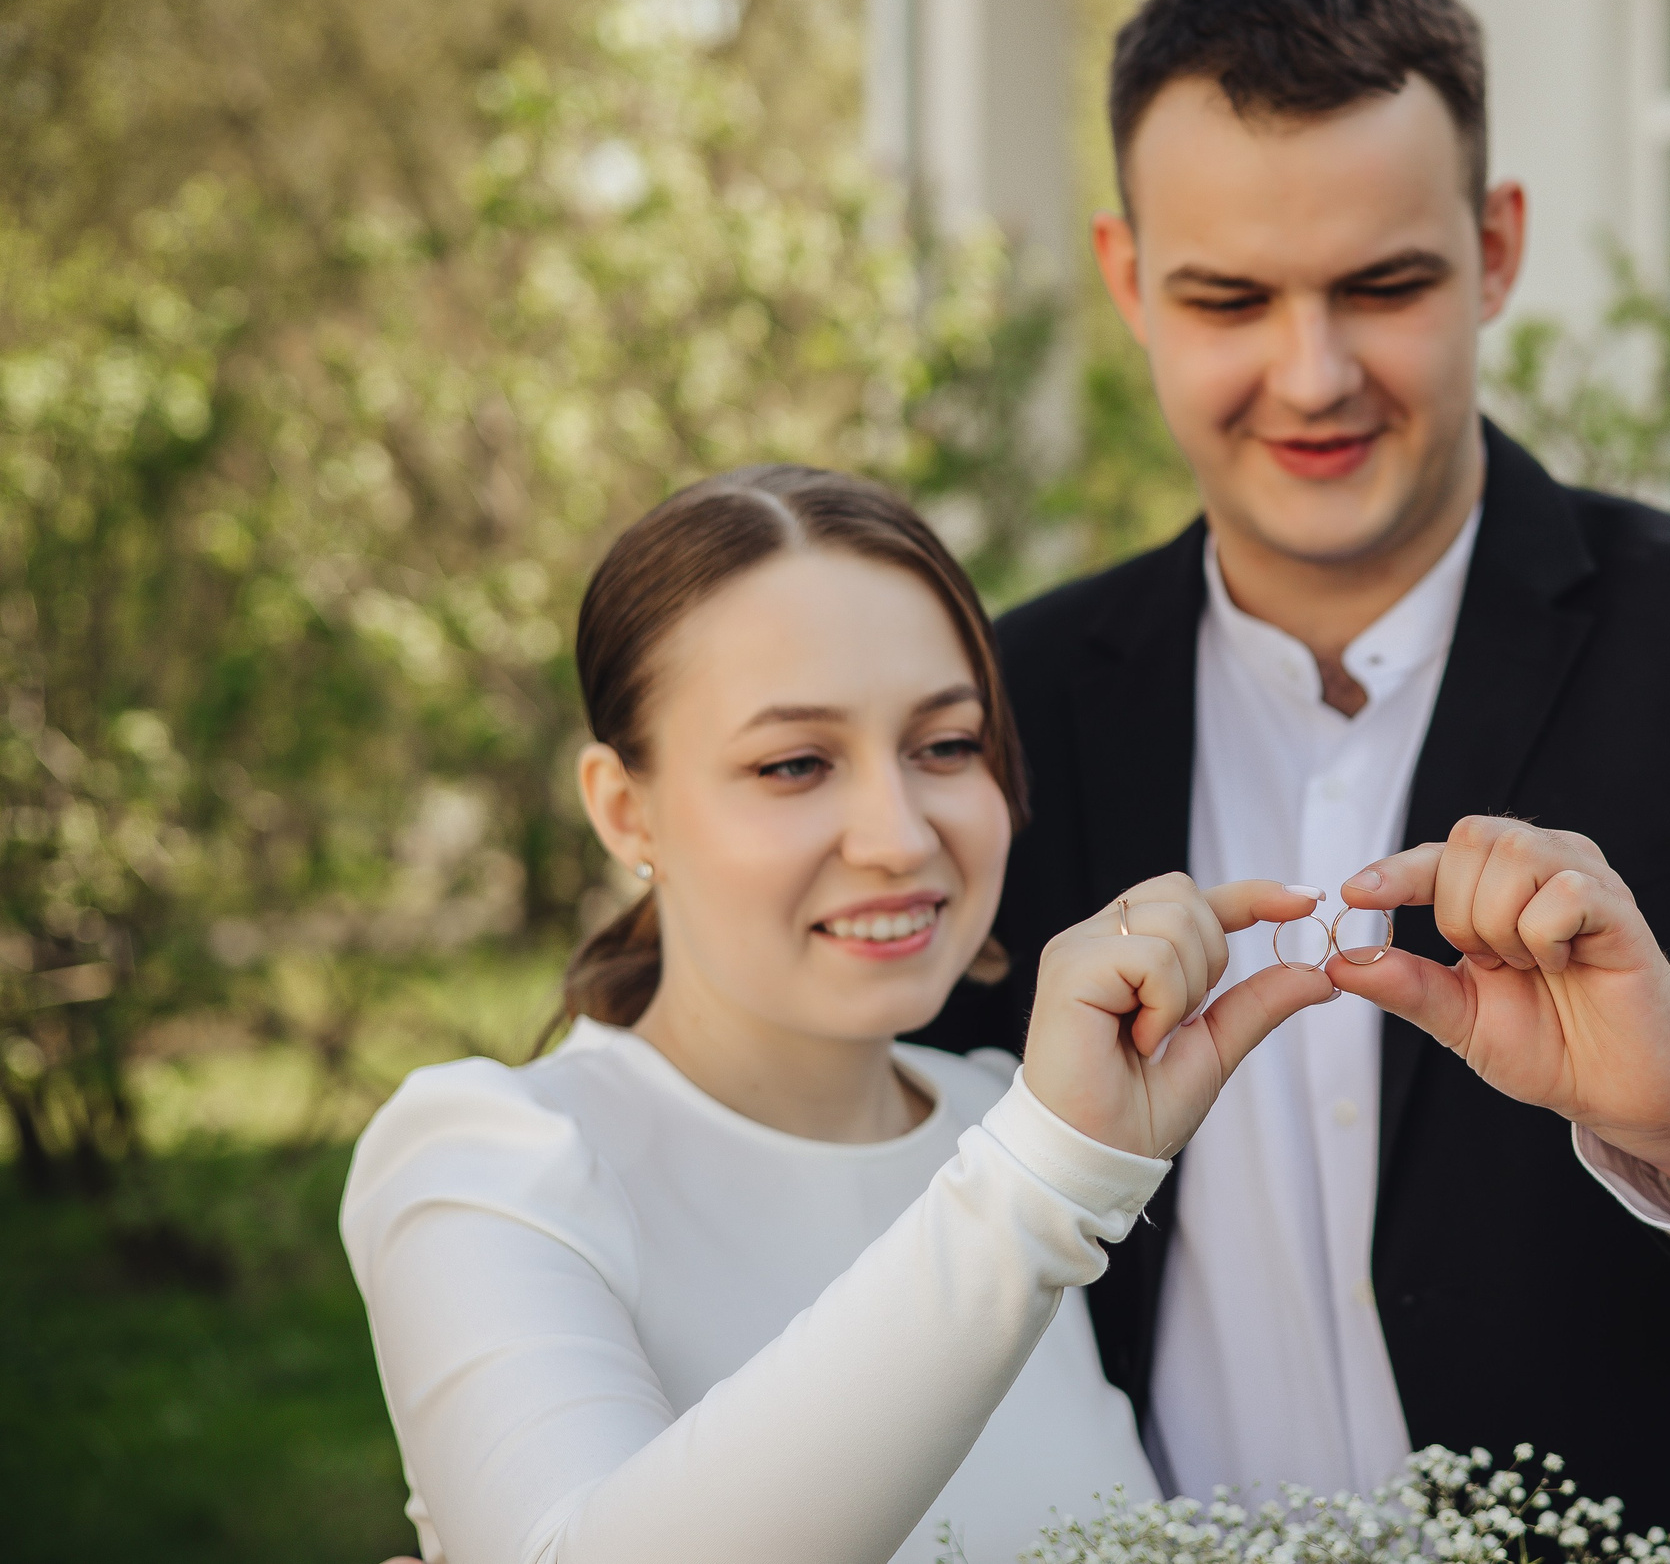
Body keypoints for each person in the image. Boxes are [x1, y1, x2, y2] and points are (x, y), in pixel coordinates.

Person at [908, 0, 1670, 1561]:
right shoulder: (1011, 697)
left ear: (1495, 247)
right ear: (1128, 276)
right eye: (1230, 296)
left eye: (1385, 283)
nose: (1314, 374)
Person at [340, 465, 1336, 1564]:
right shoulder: (496, 1162)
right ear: (627, 812)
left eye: (946, 746)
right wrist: (1045, 1177)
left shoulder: (999, 1111)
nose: (898, 835)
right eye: (796, 763)